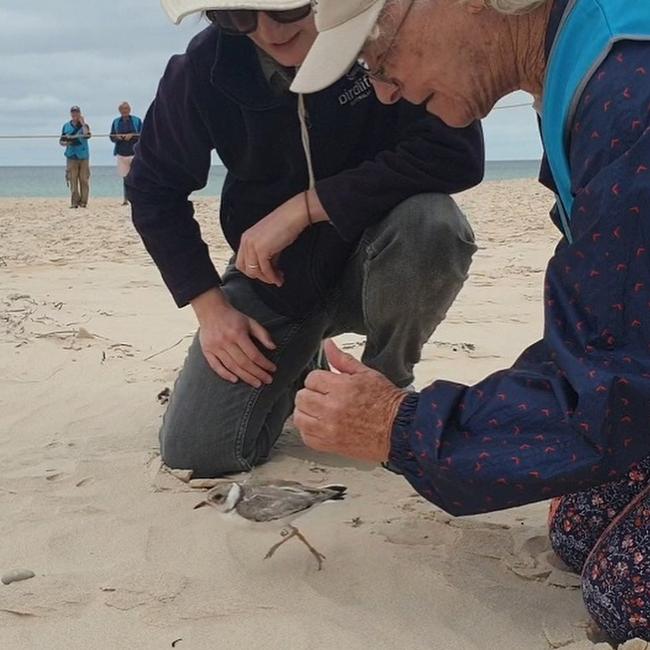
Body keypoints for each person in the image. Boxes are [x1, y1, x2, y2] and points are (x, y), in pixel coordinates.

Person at [291, 0, 650, 642]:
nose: (382, 89)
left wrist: (398, 427)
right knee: (577, 527)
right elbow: (609, 324)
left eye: (378, 50)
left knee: (625, 593)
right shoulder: (581, 69)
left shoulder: (632, 93)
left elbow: (615, 388)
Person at [127, 0, 484, 479]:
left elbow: (457, 152)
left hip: (381, 261)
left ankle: (382, 387)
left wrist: (309, 206)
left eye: (287, 11)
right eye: (238, 17)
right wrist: (210, 310)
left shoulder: (386, 36)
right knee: (201, 451)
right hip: (274, 277)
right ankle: (301, 361)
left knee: (433, 222)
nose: (267, 31)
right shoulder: (203, 67)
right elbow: (153, 188)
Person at [110, 102, 142, 205]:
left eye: (126, 108)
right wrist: (118, 137)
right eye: (122, 109)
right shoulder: (116, 122)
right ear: (120, 110)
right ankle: (126, 199)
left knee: (136, 176)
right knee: (125, 178)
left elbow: (143, 135)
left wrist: (132, 135)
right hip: (121, 153)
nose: (124, 111)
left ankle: (137, 197)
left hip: (134, 153)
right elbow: (111, 137)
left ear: (129, 109)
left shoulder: (137, 121)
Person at [59, 106, 91, 209]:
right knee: (72, 180)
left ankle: (84, 202)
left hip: (83, 155)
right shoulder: (66, 126)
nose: (75, 115)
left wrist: (82, 123)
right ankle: (74, 202)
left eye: (77, 113)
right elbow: (61, 141)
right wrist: (67, 142)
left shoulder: (85, 126)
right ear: (71, 114)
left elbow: (87, 135)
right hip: (71, 155)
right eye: (73, 113)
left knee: (84, 179)